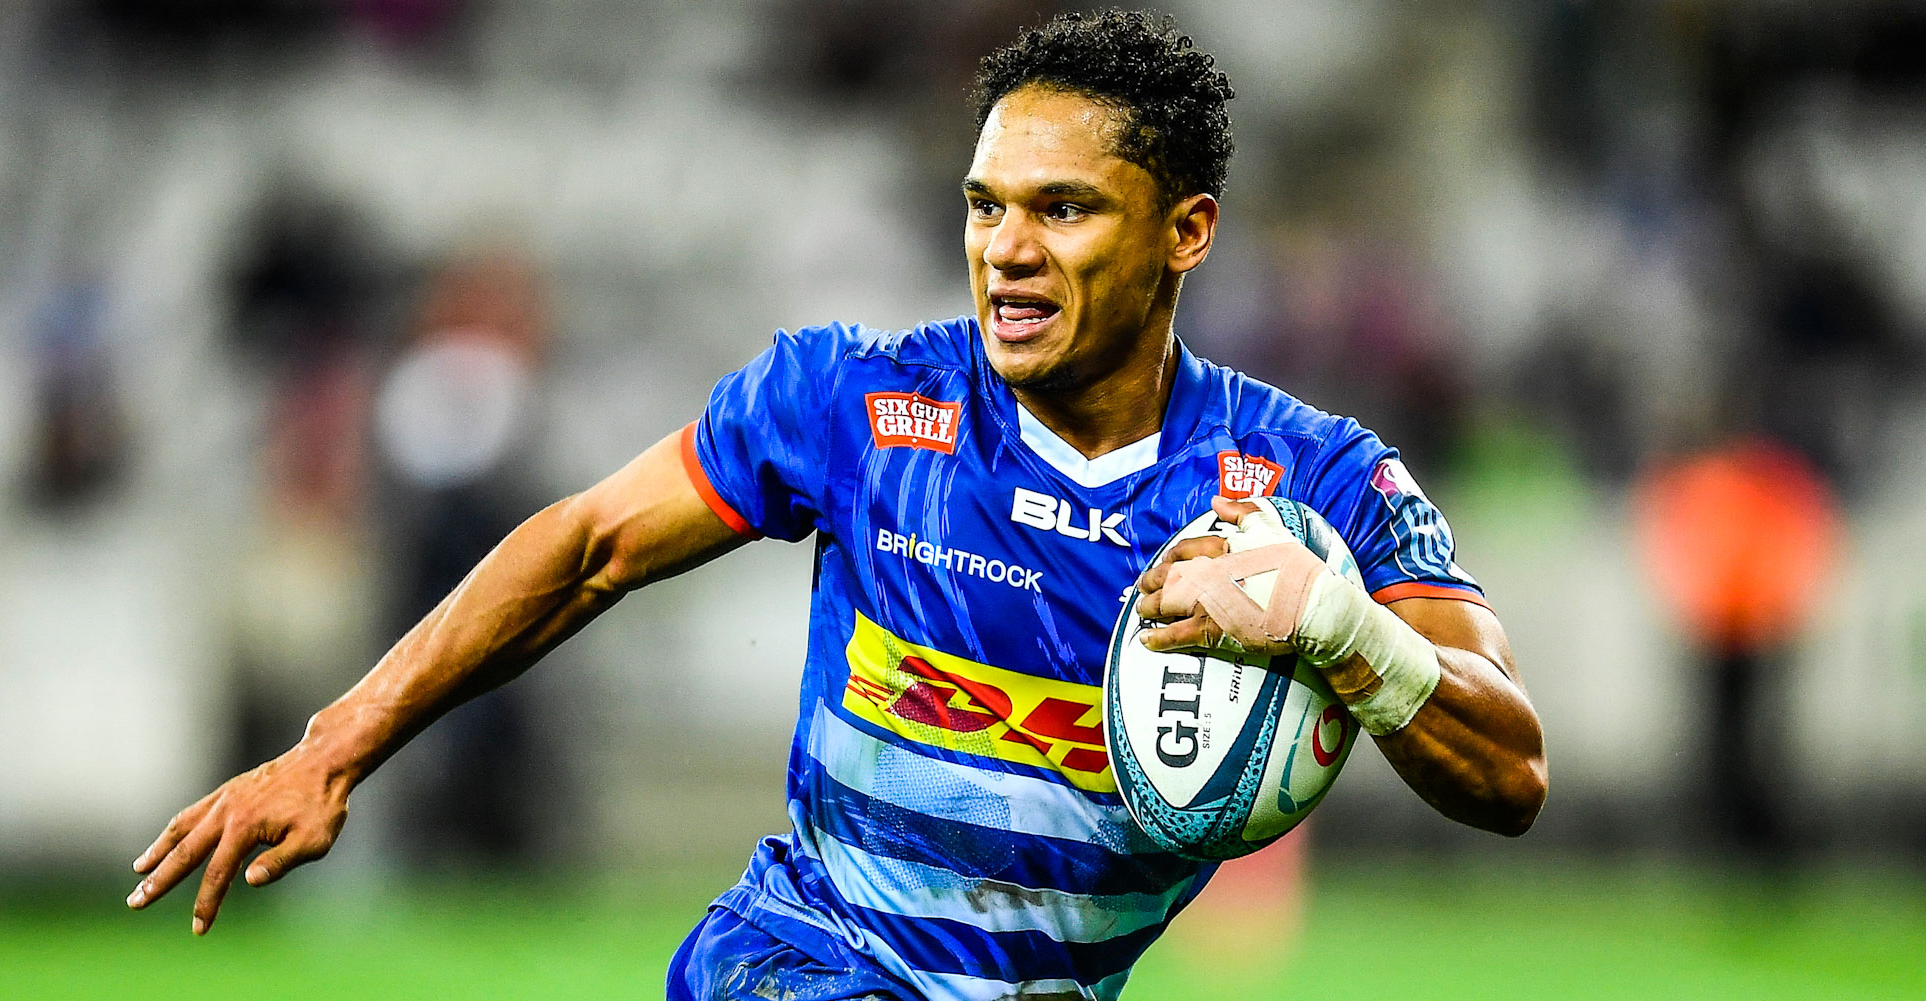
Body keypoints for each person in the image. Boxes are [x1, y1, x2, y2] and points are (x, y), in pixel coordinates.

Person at [126, 12, 1546, 1000]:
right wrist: (334, 747)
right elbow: (589, 546)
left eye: (1062, 209)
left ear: (1187, 232)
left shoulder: (1312, 485)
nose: (1006, 249)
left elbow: (1510, 772)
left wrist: (1345, 632)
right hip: (795, 964)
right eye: (985, 205)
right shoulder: (855, 403)